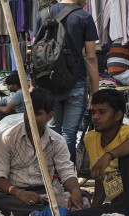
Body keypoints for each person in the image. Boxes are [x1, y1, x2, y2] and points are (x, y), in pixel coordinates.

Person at [0, 88, 83, 216]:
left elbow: (67, 172)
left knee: (83, 196)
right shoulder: (7, 138)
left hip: (45, 192)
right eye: (28, 111)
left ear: (49, 116)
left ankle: (43, 213)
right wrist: (18, 193)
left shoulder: (57, 141)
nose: (30, 117)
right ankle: (52, 214)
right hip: (15, 193)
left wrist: (75, 191)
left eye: (37, 113)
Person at [34, 0, 100, 163]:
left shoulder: (42, 15)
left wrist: (32, 84)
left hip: (48, 82)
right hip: (75, 81)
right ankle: (68, 175)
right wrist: (95, 91)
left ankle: (52, 172)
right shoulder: (84, 17)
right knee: (68, 133)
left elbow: (34, 53)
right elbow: (91, 57)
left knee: (53, 130)